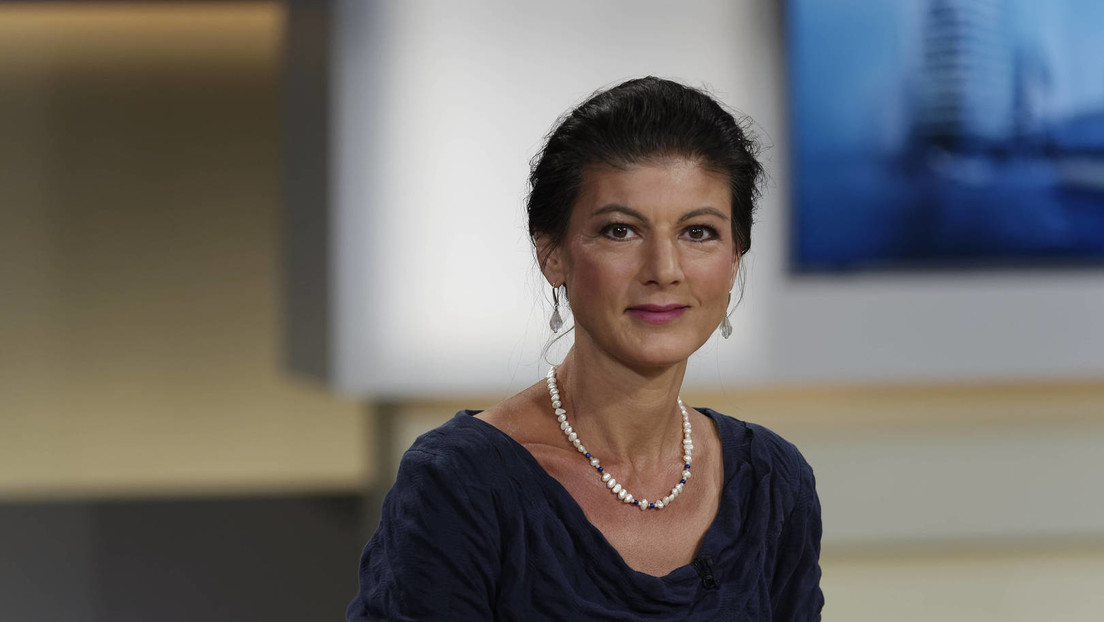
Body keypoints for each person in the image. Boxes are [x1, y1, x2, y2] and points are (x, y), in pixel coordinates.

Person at [346, 77, 823, 621]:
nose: (664, 270)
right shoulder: (459, 484)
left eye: (698, 232)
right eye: (620, 231)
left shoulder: (771, 483)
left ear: (735, 258)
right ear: (552, 253)